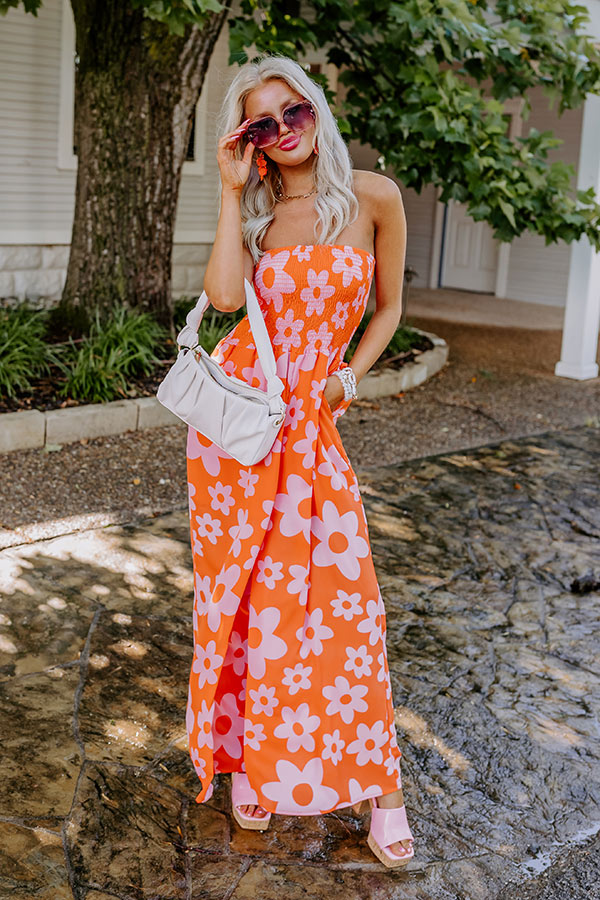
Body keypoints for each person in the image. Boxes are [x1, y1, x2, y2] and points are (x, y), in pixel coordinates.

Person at [185, 54, 415, 868]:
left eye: (293, 111)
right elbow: (220, 301)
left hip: (315, 430)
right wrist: (225, 185)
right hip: (242, 438)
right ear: (250, 138)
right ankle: (251, 760)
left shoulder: (374, 198)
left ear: (316, 107)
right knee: (248, 602)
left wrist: (353, 372)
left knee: (345, 606)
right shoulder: (253, 219)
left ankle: (381, 787)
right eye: (263, 123)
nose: (284, 131)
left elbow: (388, 307)